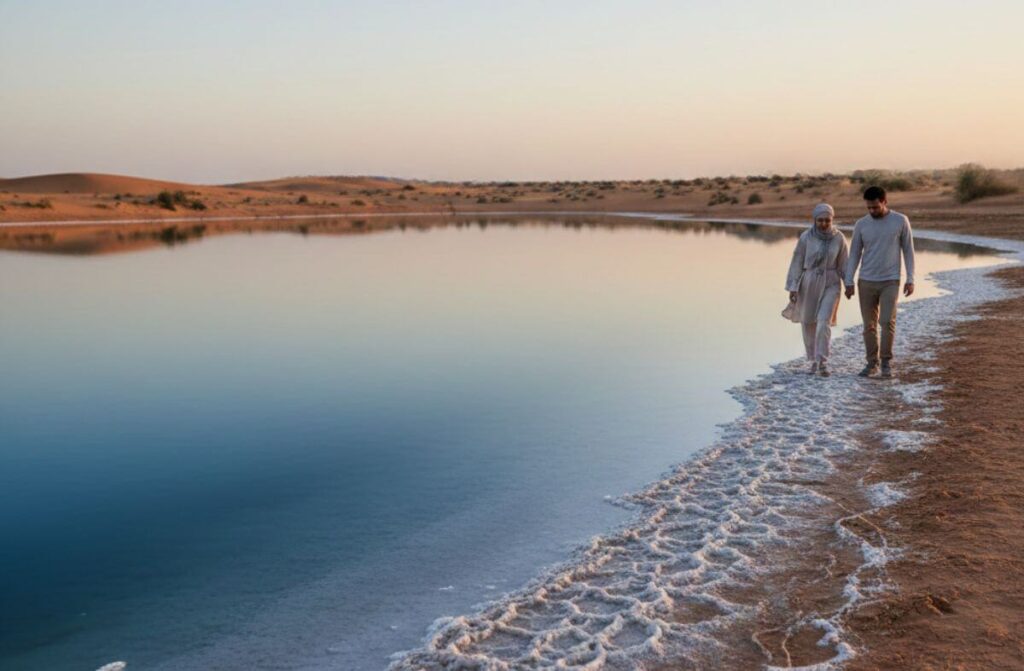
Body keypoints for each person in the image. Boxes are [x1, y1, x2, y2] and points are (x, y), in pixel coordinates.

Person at [844, 185, 916, 379]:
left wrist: (910, 279)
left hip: (890, 281)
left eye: (875, 207)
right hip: (866, 281)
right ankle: (871, 363)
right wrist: (849, 281)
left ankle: (886, 362)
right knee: (868, 325)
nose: (872, 211)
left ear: (885, 202)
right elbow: (854, 254)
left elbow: (908, 251)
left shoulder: (900, 221)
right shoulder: (861, 224)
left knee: (886, 321)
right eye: (868, 208)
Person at [785, 203, 849, 377]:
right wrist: (793, 286)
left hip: (832, 282)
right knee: (808, 322)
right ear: (814, 220)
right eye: (820, 220)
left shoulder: (839, 238)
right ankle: (812, 359)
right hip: (809, 281)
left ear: (832, 219)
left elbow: (844, 263)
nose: (823, 224)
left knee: (823, 322)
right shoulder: (806, 237)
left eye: (827, 220)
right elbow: (797, 261)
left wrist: (848, 283)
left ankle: (822, 362)